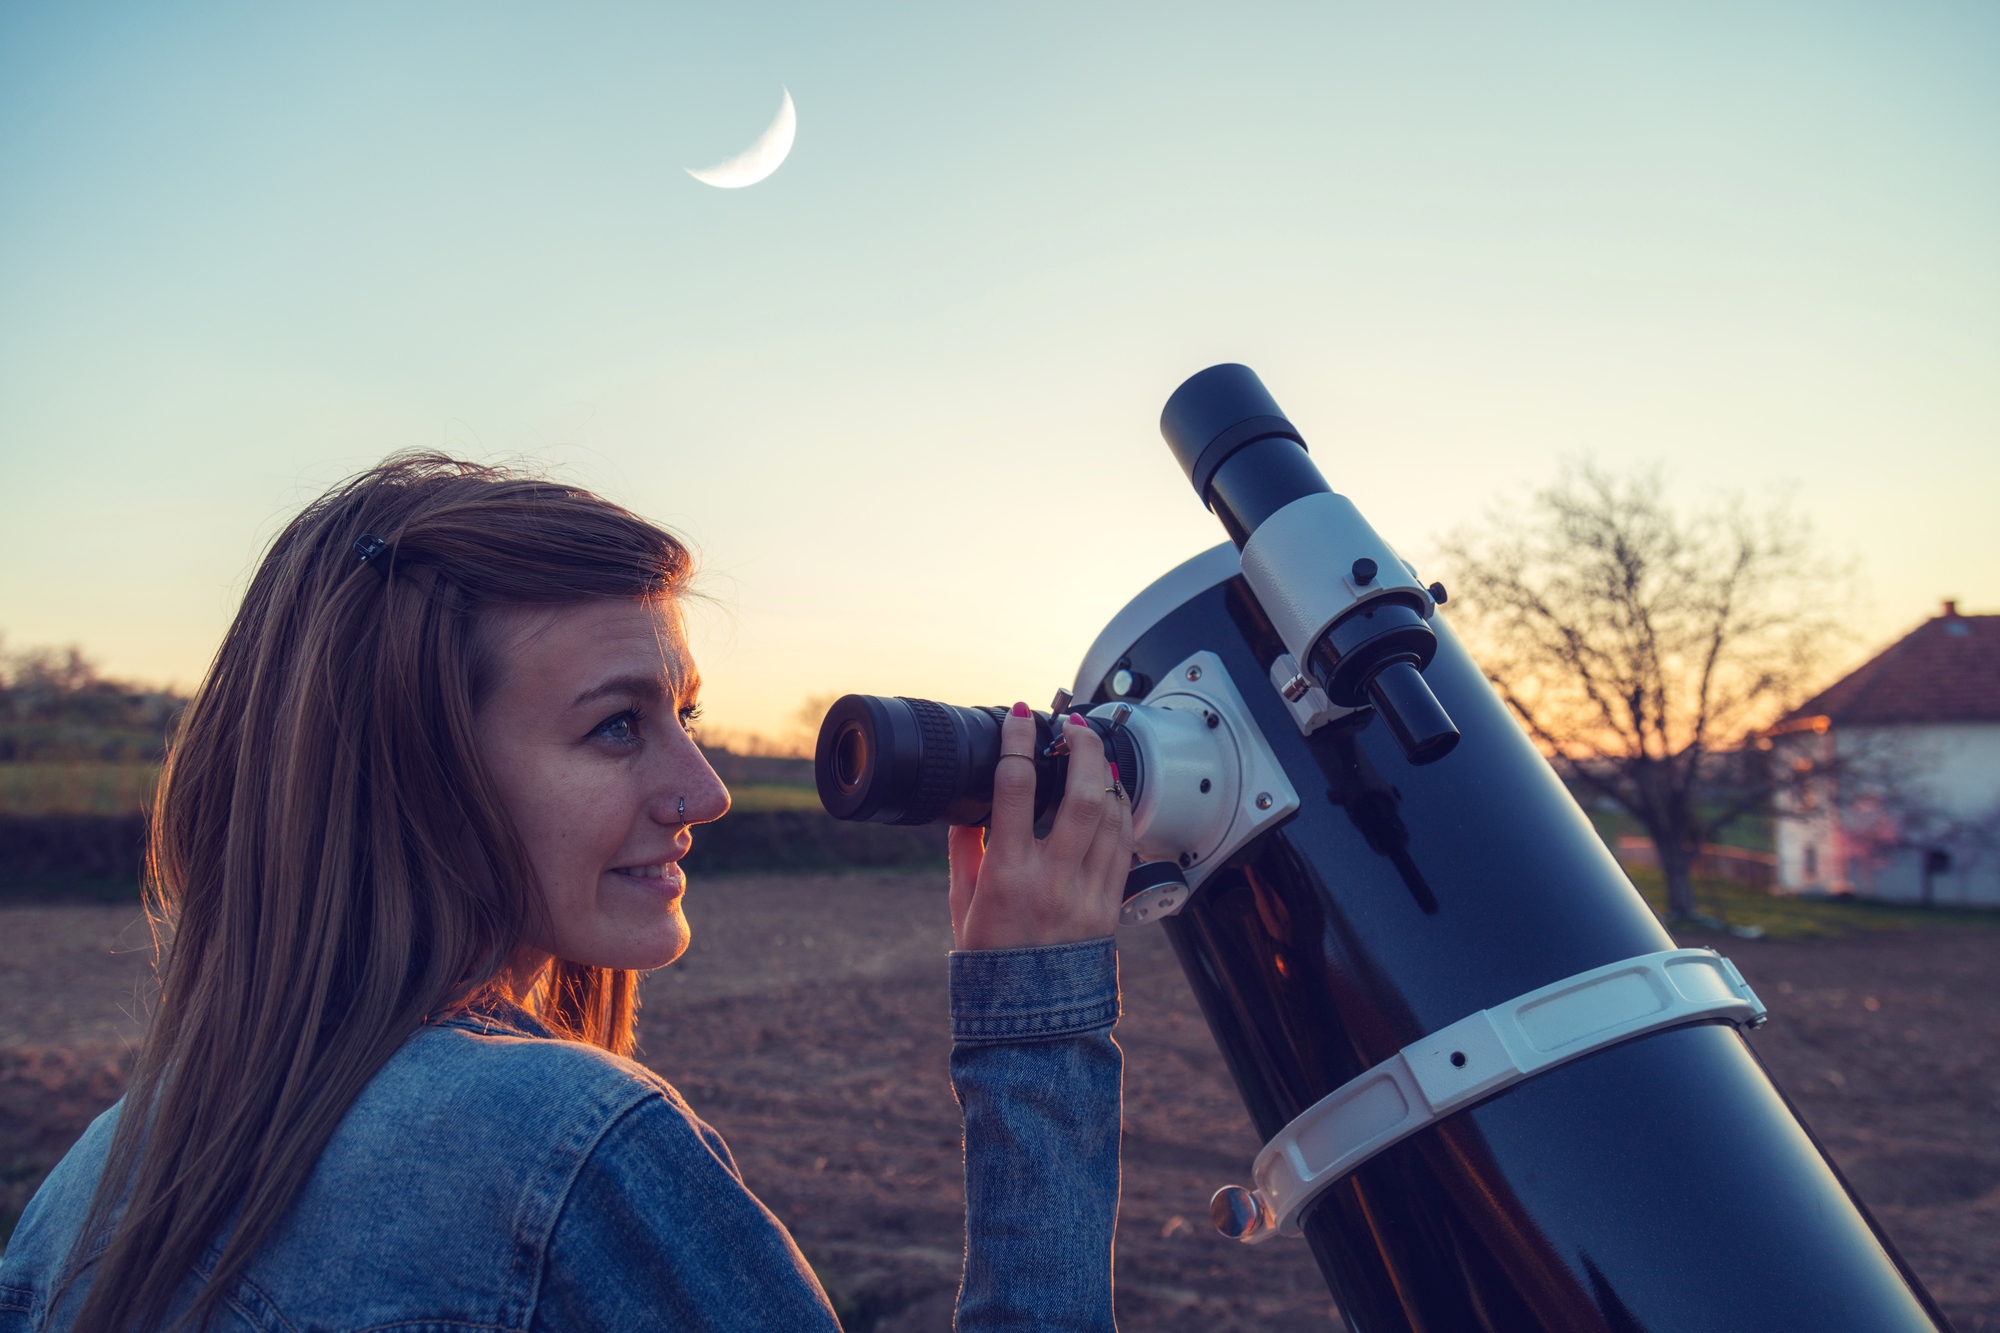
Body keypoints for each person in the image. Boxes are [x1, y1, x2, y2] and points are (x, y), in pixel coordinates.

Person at [0, 457, 1134, 1331]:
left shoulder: (90, 1192)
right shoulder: (572, 1158)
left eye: (682, 715)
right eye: (614, 727)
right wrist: (1035, 1023)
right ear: (415, 776)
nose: (703, 791)